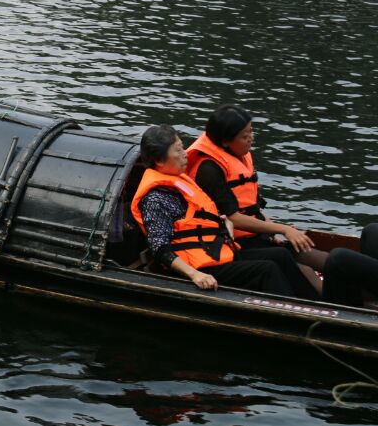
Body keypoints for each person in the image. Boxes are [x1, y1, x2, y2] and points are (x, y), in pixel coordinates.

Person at [130, 124, 317, 300]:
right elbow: (160, 247)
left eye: (183, 147)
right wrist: (195, 275)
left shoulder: (179, 183)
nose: (185, 154)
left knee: (280, 255)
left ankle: (314, 304)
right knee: (267, 269)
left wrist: (224, 224)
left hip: (214, 251)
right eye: (178, 150)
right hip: (197, 267)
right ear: (159, 160)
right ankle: (296, 317)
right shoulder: (155, 198)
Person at [186, 105, 327, 294]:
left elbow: (252, 205)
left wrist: (272, 230)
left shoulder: (237, 155)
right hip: (233, 242)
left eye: (251, 131)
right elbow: (233, 217)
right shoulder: (209, 169)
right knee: (297, 266)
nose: (251, 138)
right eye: (245, 136)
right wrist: (283, 229)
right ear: (226, 141)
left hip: (256, 235)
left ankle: (353, 297)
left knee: (323, 259)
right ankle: (322, 306)